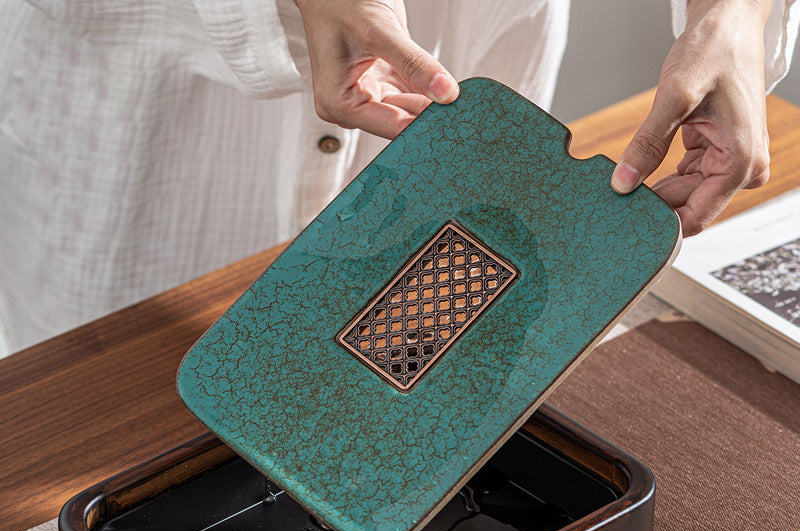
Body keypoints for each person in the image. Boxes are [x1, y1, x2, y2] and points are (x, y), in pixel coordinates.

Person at [0, 0, 796, 353]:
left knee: (423, 379)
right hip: (163, 116)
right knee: (106, 421)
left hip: (466, 55)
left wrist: (731, 14)